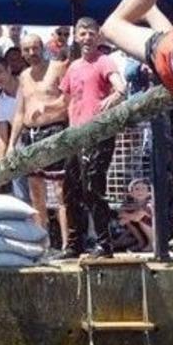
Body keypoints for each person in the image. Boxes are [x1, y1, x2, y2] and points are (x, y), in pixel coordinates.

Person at [58, 17, 126, 258]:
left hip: (97, 134)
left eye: (91, 34)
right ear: (76, 37)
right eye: (83, 34)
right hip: (76, 136)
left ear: (98, 37)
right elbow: (66, 100)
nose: (87, 38)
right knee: (70, 191)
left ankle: (104, 244)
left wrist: (113, 97)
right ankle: (74, 244)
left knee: (93, 189)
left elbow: (121, 87)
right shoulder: (73, 66)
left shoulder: (104, 61)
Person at [8, 35, 70, 232]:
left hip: (55, 131)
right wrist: (11, 144)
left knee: (61, 192)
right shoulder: (23, 76)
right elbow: (20, 112)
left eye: (35, 48)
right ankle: (42, 239)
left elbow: (68, 100)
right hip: (30, 135)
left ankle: (68, 243)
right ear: (22, 53)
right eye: (27, 50)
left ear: (42, 48)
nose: (32, 53)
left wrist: (47, 107)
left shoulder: (57, 68)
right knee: (36, 192)